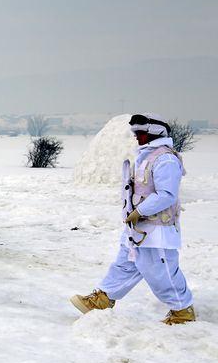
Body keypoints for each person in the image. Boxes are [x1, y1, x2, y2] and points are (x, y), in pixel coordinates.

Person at [70, 113, 196, 324]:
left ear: (154, 133)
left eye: (140, 133)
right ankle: (103, 299)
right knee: (125, 263)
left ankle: (182, 310)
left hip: (158, 229)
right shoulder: (147, 156)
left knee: (161, 271)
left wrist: (141, 211)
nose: (137, 137)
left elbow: (167, 194)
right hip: (138, 228)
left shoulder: (165, 158)